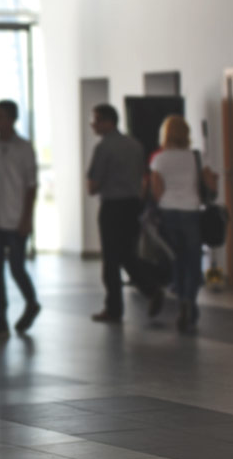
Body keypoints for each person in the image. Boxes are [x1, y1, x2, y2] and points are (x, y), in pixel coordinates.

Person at [87, 104, 163, 324]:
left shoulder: (103, 148)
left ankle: (114, 309)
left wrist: (96, 184)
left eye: (96, 120)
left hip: (112, 207)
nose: (93, 125)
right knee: (127, 254)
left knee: (111, 259)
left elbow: (93, 185)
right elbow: (143, 177)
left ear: (108, 121)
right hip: (133, 206)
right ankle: (150, 289)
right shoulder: (135, 145)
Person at [0, 100, 40, 337]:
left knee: (16, 267)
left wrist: (27, 218)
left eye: (1, 116)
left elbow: (32, 185)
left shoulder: (24, 148)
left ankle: (31, 302)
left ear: (12, 119)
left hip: (16, 217)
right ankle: (0, 317)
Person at [150, 115, 218, 331]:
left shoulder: (159, 159)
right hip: (191, 211)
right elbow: (211, 184)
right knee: (193, 259)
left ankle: (181, 300)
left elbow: (156, 190)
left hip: (168, 212)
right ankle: (190, 300)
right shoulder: (196, 157)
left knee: (176, 259)